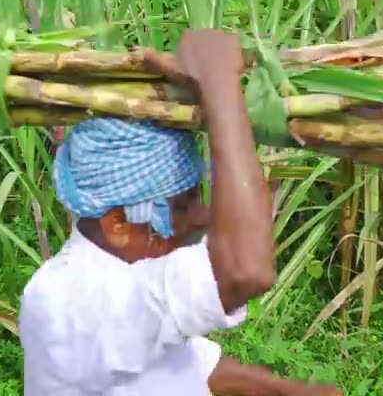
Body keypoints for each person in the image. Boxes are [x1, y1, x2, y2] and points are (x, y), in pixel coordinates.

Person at [19, 29, 341, 395]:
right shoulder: (70, 302)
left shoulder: (121, 282)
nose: (201, 217)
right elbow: (243, 272)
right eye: (181, 206)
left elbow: (191, 367)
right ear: (119, 224)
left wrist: (290, 392)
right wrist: (219, 82)